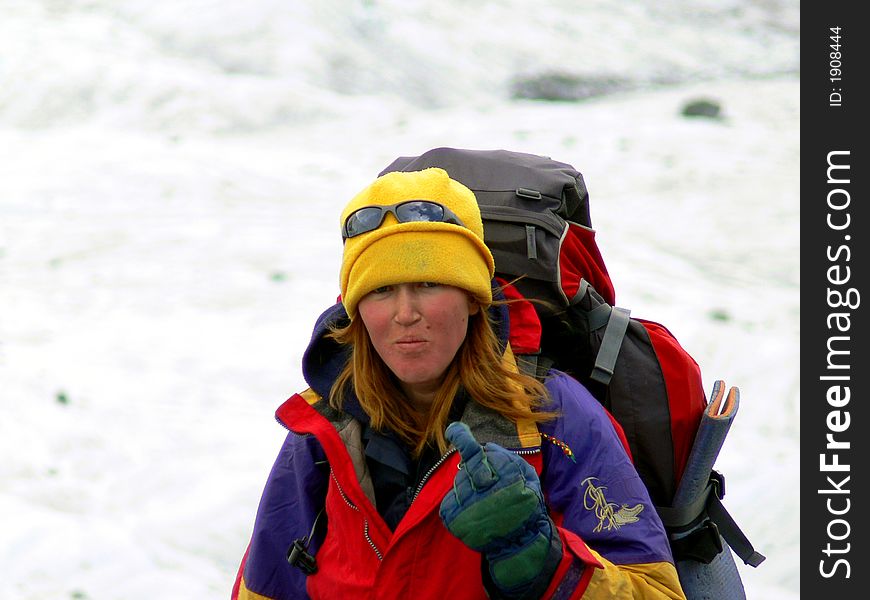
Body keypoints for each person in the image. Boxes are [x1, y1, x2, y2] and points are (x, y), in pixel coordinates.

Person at [232, 167, 686, 599]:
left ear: (473, 299)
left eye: (429, 284)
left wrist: (541, 561)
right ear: (356, 310)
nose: (404, 313)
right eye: (381, 290)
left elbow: (656, 591)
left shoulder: (555, 417)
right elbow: (263, 589)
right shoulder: (321, 429)